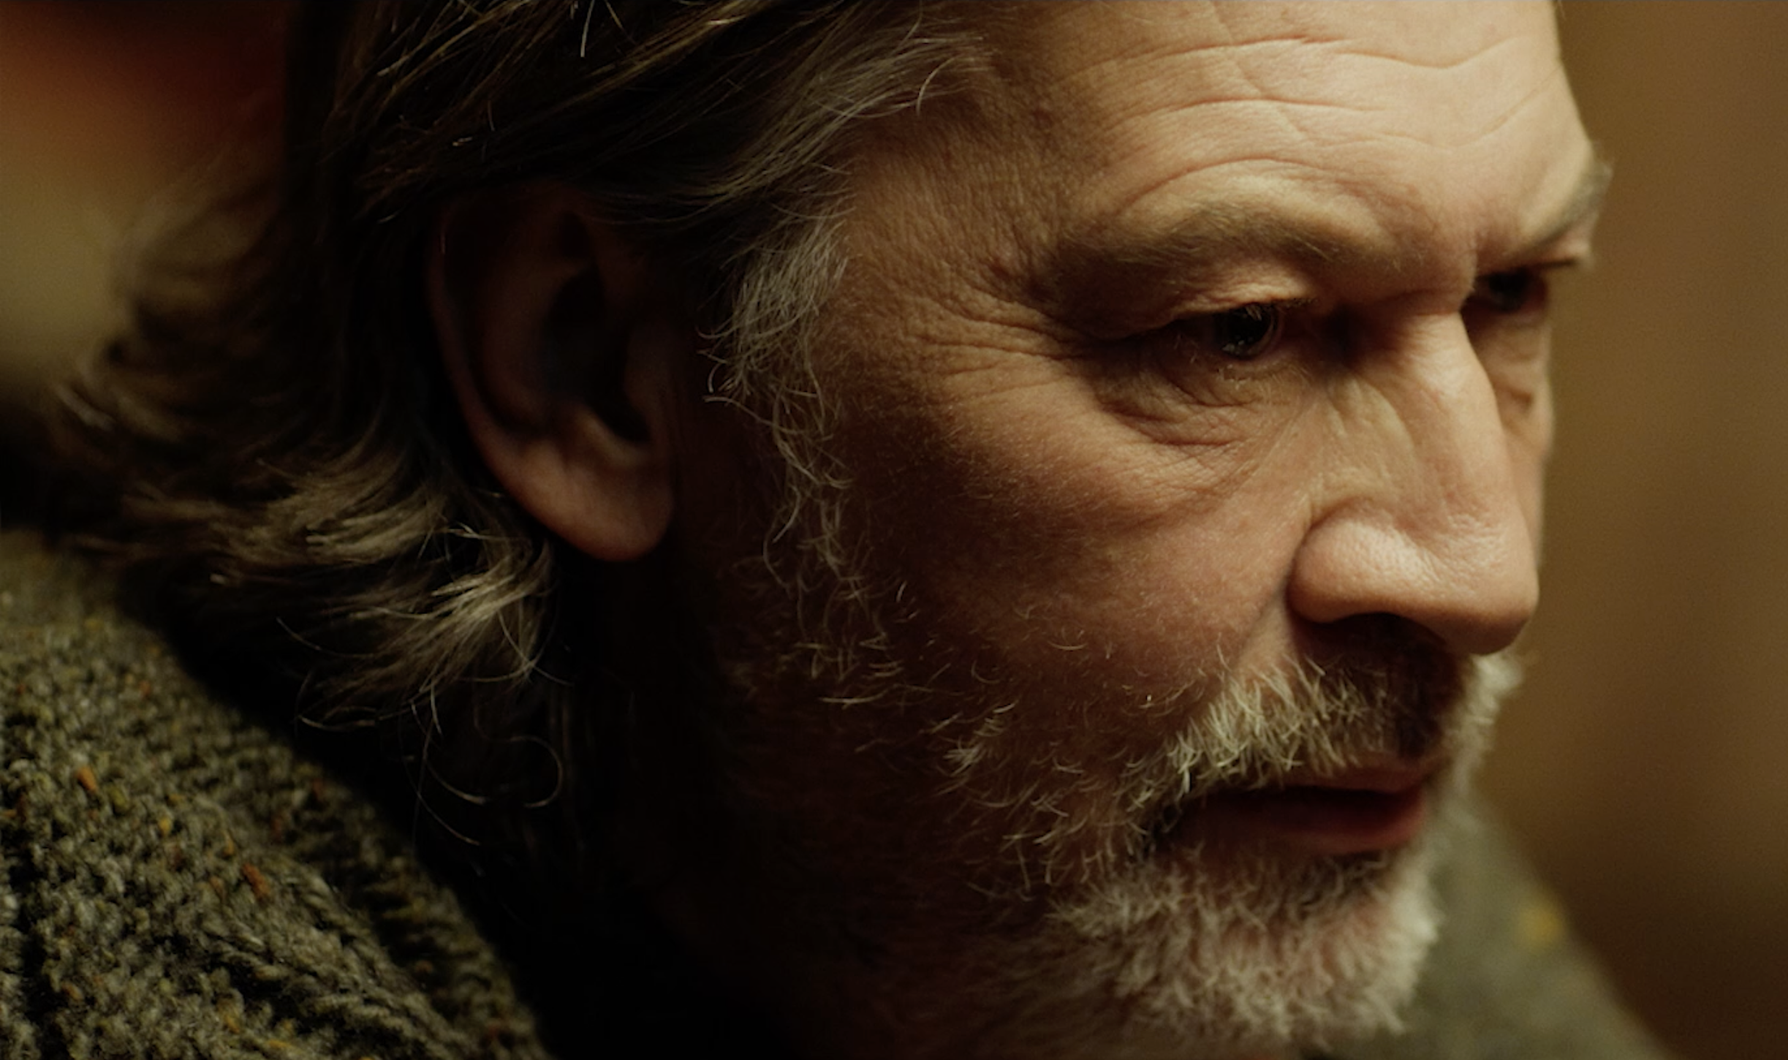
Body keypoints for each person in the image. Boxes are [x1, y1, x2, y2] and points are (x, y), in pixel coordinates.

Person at [1, 3, 1660, 1058]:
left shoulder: (1207, 836)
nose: (1479, 574)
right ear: (587, 367)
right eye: (1235, 330)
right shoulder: (82, 924)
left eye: (1511, 297)